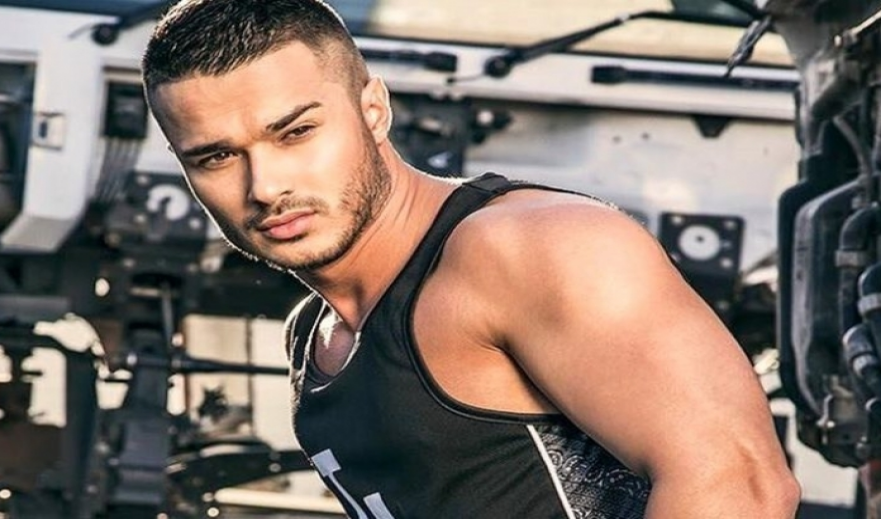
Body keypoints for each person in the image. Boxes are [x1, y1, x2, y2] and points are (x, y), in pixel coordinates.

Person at [141, 0, 801, 517]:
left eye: (296, 133)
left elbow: (739, 486)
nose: (265, 187)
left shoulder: (532, 248)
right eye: (216, 156)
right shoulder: (314, 338)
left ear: (374, 110)